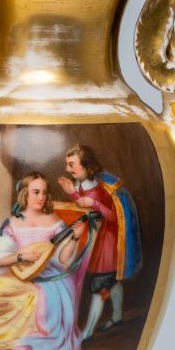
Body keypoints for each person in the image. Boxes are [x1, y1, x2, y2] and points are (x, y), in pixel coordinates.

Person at [0, 173, 94, 350]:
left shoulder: (54, 222)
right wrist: (20, 256)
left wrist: (75, 237)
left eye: (44, 192)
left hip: (45, 275)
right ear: (25, 194)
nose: (41, 197)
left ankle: (17, 344)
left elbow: (63, 259)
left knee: (31, 298)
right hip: (16, 270)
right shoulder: (14, 222)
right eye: (36, 192)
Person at [58, 144, 142, 338]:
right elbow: (84, 208)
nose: (68, 169)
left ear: (85, 165)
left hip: (108, 246)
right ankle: (118, 316)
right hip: (96, 243)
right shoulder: (82, 185)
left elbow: (115, 218)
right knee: (112, 283)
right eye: (67, 164)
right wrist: (73, 193)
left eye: (72, 164)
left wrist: (94, 203)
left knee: (98, 287)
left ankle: (86, 333)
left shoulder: (103, 189)